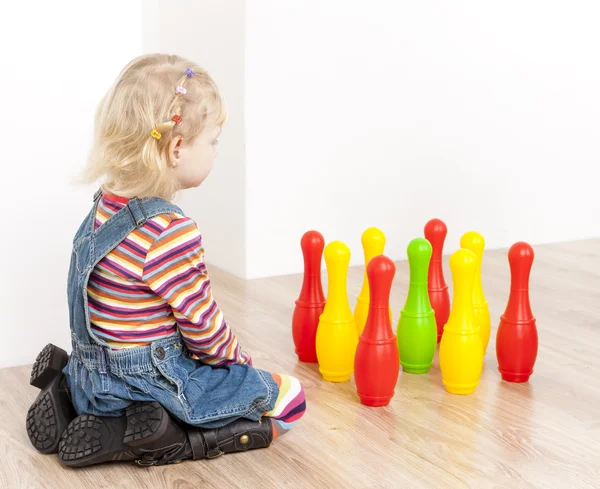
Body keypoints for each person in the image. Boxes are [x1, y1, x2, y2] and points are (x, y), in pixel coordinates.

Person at [25, 54, 306, 468]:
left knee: (121, 372)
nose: (215, 151)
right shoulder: (168, 231)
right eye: (212, 141)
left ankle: (75, 399)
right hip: (146, 386)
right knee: (289, 399)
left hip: (91, 374)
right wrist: (240, 365)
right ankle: (153, 436)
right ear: (176, 148)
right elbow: (203, 328)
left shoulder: (103, 207)